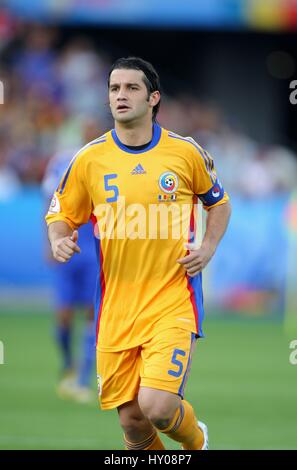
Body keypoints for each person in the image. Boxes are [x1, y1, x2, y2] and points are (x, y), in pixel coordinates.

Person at [45, 57, 231, 450]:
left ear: (153, 98)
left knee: (158, 407)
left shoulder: (184, 152)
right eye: (114, 88)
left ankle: (198, 443)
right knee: (132, 423)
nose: (120, 96)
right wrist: (59, 238)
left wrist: (209, 246)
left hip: (171, 301)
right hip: (115, 311)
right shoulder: (88, 159)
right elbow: (60, 212)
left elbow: (219, 203)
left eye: (131, 88)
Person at [43, 145, 97, 404]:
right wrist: (49, 242)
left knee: (91, 312)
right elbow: (50, 203)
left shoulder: (107, 157)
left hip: (94, 250)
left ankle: (82, 379)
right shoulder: (62, 160)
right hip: (67, 245)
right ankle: (68, 363)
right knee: (63, 316)